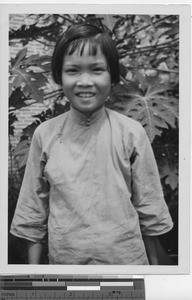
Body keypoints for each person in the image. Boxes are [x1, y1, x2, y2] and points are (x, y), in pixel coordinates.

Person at [10, 23, 173, 265]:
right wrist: (35, 276)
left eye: (97, 69)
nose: (85, 81)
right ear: (58, 76)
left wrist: (154, 275)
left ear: (112, 75)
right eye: (73, 70)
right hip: (67, 267)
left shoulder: (131, 133)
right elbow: (33, 211)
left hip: (125, 265)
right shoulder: (45, 135)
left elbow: (150, 208)